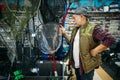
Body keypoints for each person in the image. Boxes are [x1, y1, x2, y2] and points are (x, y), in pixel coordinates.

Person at [59, 7, 115, 80]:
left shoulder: (93, 29)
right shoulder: (76, 29)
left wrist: (96, 50)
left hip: (86, 67)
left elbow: (110, 39)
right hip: (77, 65)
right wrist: (65, 33)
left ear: (82, 16)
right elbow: (72, 43)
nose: (73, 20)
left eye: (74, 18)